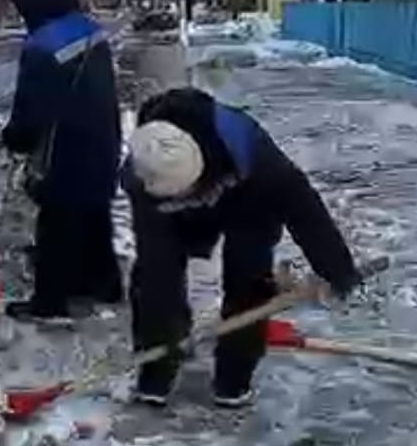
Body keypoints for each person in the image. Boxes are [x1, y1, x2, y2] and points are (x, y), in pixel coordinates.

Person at [124, 87, 359, 408]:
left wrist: (337, 270)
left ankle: (233, 381)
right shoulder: (143, 165)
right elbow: (155, 255)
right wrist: (162, 329)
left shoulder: (260, 161)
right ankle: (155, 373)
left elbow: (305, 212)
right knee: (155, 280)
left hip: (249, 202)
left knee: (249, 281)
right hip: (175, 209)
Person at [0, 0, 123, 319]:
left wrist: (16, 138)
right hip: (104, 140)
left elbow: (31, 109)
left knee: (55, 223)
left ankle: (50, 301)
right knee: (94, 213)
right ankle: (105, 283)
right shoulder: (91, 31)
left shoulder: (42, 44)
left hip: (64, 150)